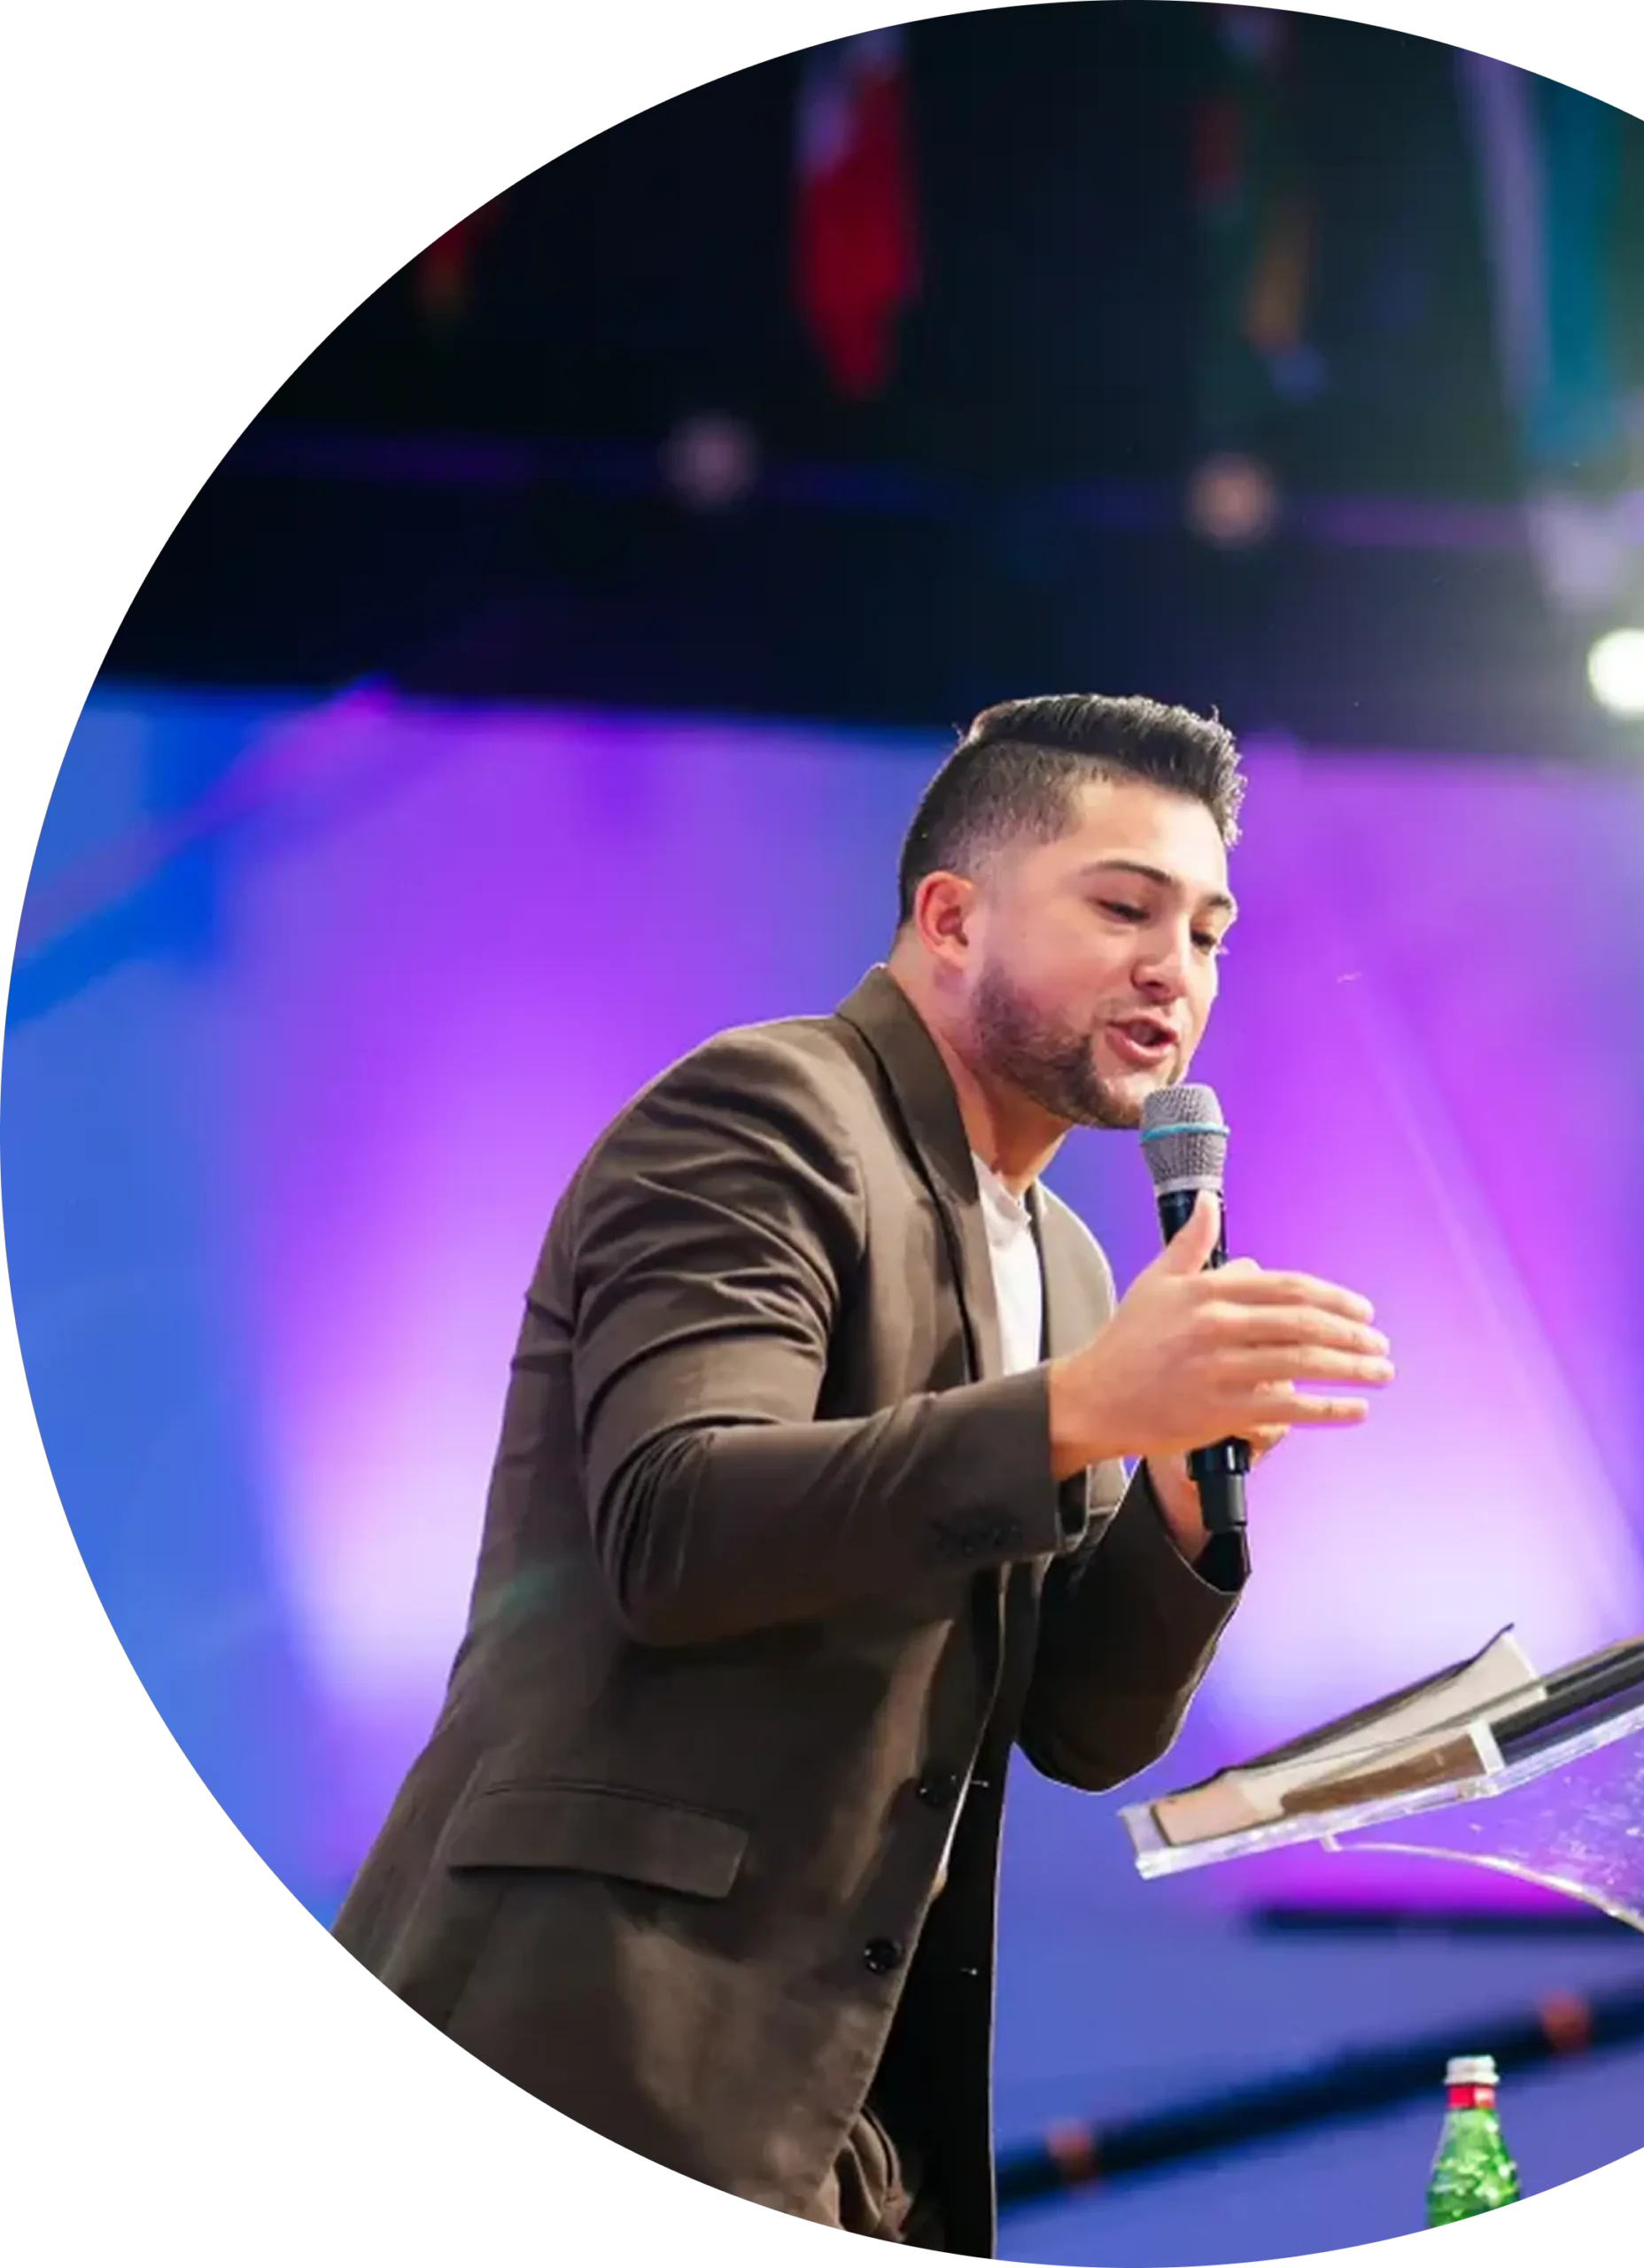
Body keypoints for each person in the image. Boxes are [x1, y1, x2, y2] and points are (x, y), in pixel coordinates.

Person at [328, 695, 1392, 2252]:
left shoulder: (1073, 1261)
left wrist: (1174, 1491)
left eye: (1211, 931)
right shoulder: (765, 1115)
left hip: (839, 2114)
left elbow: (1082, 1732)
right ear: (949, 918)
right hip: (588, 2028)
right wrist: (1075, 1412)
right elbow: (675, 1527)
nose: (1179, 969)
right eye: (1123, 906)